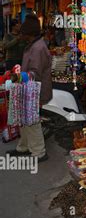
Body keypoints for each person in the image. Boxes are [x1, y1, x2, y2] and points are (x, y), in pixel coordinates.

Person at [7, 14, 52, 162]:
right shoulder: (33, 45)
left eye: (23, 34)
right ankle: (24, 147)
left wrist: (17, 77)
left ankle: (39, 152)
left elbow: (35, 73)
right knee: (25, 119)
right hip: (29, 88)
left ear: (29, 35)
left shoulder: (38, 48)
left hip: (36, 90)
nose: (21, 36)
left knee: (32, 121)